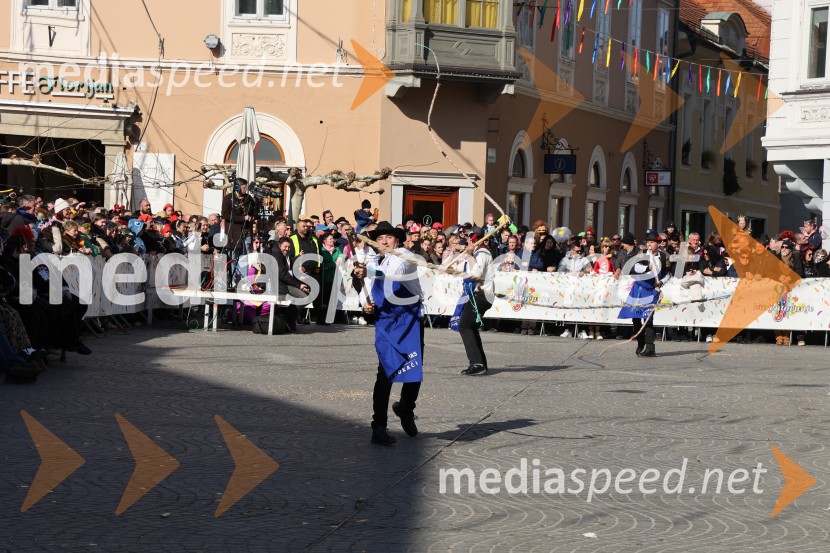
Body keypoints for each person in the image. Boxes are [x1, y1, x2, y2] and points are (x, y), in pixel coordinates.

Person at [353, 222, 424, 446]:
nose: (384, 241)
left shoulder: (405, 256)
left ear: (398, 241)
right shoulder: (373, 260)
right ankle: (379, 427)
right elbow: (365, 288)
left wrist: (370, 271)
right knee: (384, 374)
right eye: (380, 237)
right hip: (386, 322)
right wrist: (366, 304)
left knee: (413, 371)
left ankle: (405, 407)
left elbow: (394, 274)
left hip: (409, 320)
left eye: (389, 237)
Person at [618, 231, 667, 357]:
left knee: (648, 318)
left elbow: (668, 274)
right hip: (639, 288)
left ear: (658, 243)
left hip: (651, 290)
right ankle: (640, 342)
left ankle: (650, 348)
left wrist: (661, 282)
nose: (649, 244)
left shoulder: (663, 256)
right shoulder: (642, 255)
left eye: (652, 242)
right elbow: (636, 268)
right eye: (648, 242)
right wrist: (647, 268)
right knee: (635, 317)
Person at [453, 227, 494, 376]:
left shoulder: (482, 253)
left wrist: (469, 256)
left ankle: (476, 363)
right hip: (477, 294)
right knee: (470, 327)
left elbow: (476, 274)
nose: (468, 241)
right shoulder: (477, 253)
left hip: (482, 295)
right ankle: (480, 362)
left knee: (464, 326)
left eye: (470, 239)